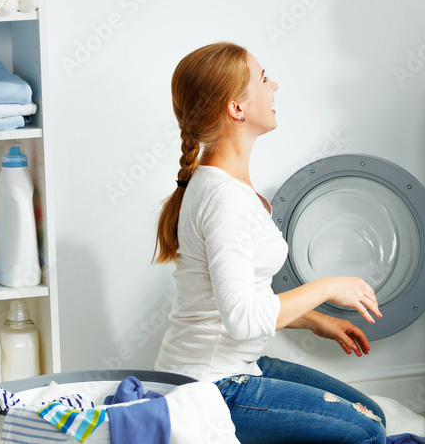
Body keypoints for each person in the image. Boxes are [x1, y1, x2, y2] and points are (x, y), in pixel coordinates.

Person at [153, 42, 387, 444]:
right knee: (364, 432)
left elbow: (239, 298)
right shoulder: (223, 198)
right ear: (236, 108)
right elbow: (243, 320)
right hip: (208, 388)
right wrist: (328, 287)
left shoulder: (226, 186)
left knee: (374, 417)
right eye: (263, 79)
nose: (274, 85)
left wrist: (318, 320)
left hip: (235, 367)